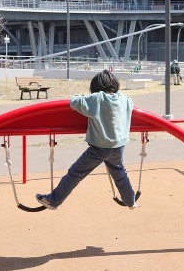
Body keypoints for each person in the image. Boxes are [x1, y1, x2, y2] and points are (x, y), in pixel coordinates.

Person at [36, 70, 138, 210]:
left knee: (75, 173)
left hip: (99, 148)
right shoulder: (125, 99)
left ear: (96, 86)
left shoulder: (97, 98)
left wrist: (84, 96)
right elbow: (130, 105)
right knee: (120, 173)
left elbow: (75, 102)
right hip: (118, 147)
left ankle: (54, 200)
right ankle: (130, 201)